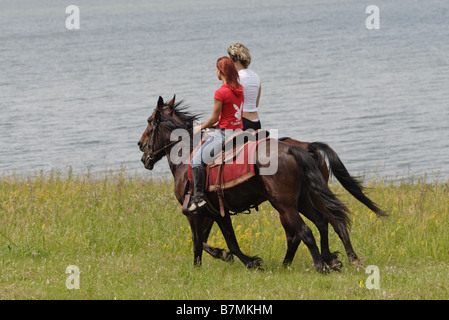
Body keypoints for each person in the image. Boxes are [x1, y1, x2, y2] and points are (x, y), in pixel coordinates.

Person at [188, 56, 244, 212]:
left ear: (220, 72)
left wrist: (201, 127)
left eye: (216, 69)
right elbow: (231, 115)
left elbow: (214, 116)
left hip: (225, 134)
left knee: (196, 161)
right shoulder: (240, 89)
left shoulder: (220, 92)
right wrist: (216, 123)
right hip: (239, 131)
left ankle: (198, 199)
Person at [227, 42, 262, 131]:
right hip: (256, 122)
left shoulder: (235, 78)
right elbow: (256, 104)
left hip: (242, 123)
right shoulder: (256, 77)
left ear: (236, 61)